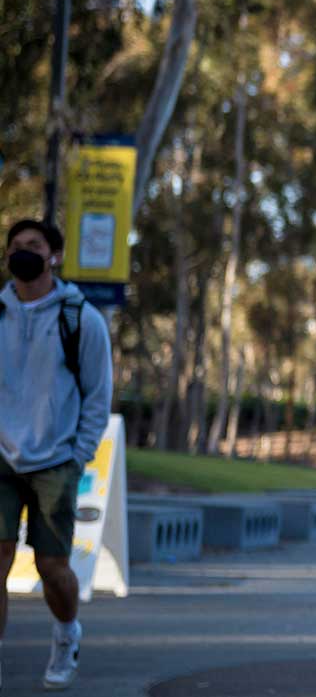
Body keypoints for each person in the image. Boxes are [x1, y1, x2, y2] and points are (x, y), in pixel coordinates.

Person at [0, 220, 112, 691]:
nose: (23, 253)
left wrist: (77, 455)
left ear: (54, 257)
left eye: (34, 246)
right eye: (15, 247)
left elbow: (98, 395)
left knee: (53, 570)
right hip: (1, 461)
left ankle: (67, 631)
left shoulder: (80, 319)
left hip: (56, 463)